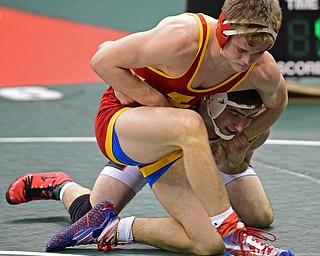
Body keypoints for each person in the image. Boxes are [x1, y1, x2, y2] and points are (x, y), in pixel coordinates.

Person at [8, 0, 293, 254]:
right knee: (189, 125)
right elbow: (103, 57)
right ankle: (232, 233)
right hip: (126, 122)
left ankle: (105, 224)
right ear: (222, 31)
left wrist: (238, 143)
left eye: (258, 53)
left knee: (208, 243)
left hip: (178, 139)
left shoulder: (261, 69)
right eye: (242, 50)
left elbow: (278, 104)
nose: (247, 62)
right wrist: (155, 102)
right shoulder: (183, 37)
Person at [7, 91, 291, 255]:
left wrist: (236, 158)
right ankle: (62, 187)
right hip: (155, 148)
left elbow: (237, 164)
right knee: (90, 212)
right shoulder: (183, 96)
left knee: (259, 216)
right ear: (213, 102)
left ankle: (111, 227)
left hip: (206, 156)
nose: (241, 126)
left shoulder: (254, 128)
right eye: (235, 114)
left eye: (248, 117)